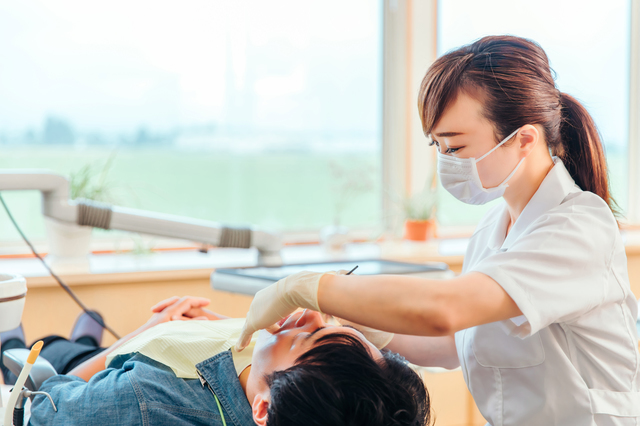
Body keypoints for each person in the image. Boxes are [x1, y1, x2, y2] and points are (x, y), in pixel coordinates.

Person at [236, 35, 640, 425]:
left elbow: (445, 311)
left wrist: (302, 287)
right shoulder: (492, 232)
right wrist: (366, 324)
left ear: (524, 139)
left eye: (456, 147)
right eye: (439, 147)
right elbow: (454, 345)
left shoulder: (579, 227)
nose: (447, 162)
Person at [2, 296, 430, 426]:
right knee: (82, 331)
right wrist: (209, 325)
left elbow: (47, 406)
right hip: (156, 349)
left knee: (34, 351)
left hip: (99, 369)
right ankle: (86, 328)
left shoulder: (146, 401)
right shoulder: (282, 391)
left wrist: (142, 335)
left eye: (312, 333)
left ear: (263, 407)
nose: (310, 316)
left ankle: (47, 337)